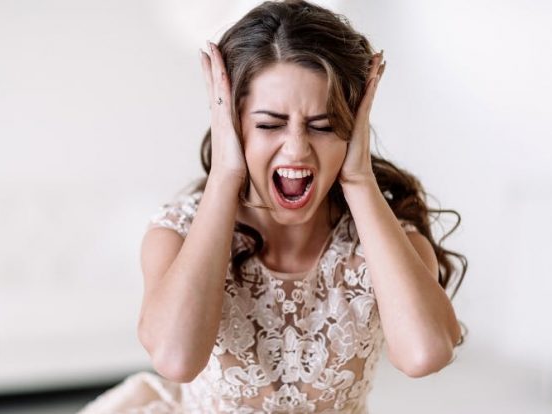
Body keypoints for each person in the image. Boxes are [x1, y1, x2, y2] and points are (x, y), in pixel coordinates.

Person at [80, 0, 466, 412]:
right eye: (269, 124)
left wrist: (359, 179)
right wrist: (226, 176)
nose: (297, 148)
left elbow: (425, 354)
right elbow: (176, 359)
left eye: (323, 126)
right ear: (232, 124)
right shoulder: (175, 233)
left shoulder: (384, 237)